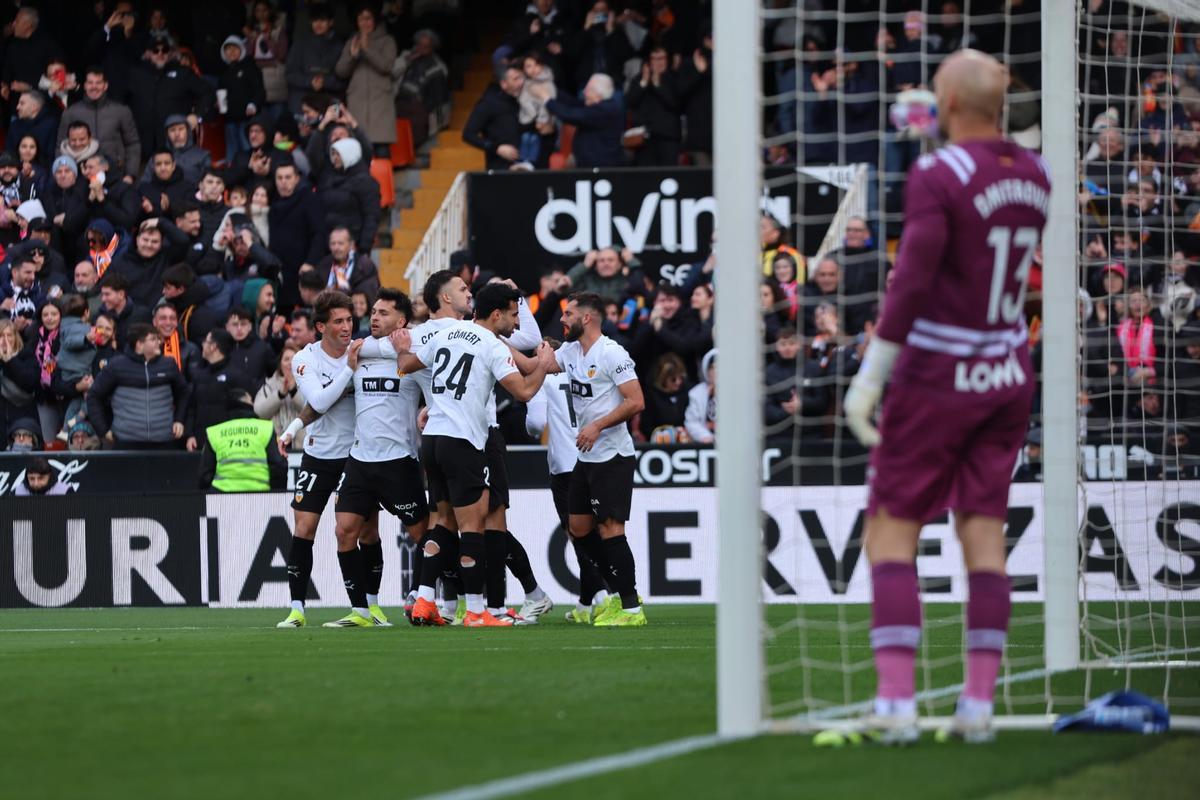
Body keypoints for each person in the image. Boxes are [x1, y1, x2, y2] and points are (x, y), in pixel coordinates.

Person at [842, 50, 1051, 744]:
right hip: (1008, 370)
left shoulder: (938, 173)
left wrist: (871, 375)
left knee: (890, 530)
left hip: (940, 372)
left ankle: (896, 706)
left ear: (950, 103)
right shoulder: (1038, 174)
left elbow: (912, 280)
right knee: (984, 536)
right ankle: (978, 707)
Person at [396, 282, 554, 628]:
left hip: (432, 439)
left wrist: (403, 349)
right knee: (473, 527)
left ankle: (425, 599)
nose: (516, 322)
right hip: (462, 441)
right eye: (513, 315)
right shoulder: (492, 345)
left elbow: (406, 365)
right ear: (496, 314)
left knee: (441, 522)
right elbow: (524, 392)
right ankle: (478, 611)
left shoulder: (447, 333)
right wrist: (542, 364)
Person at [320, 288, 427, 628]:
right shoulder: (359, 352)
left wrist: (428, 409)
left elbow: (438, 389)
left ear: (402, 321)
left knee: (425, 537)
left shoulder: (412, 356)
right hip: (360, 459)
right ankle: (362, 610)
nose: (375, 317)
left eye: (384, 313)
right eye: (374, 312)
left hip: (399, 461)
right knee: (345, 531)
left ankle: (438, 598)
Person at [551, 292, 646, 626]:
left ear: (586, 318)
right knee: (578, 528)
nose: (562, 319)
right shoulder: (570, 351)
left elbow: (636, 401)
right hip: (586, 457)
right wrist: (495, 340)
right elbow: (537, 366)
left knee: (610, 528)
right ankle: (619, 592)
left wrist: (597, 426)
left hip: (613, 455)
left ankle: (631, 608)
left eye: (568, 314)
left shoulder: (612, 353)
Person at [275, 291, 359, 628]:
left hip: (356, 456)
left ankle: (367, 608)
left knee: (358, 530)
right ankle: (297, 609)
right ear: (321, 326)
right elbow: (320, 402)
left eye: (349, 320)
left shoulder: (363, 351)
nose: (346, 327)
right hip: (319, 454)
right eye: (338, 321)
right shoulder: (304, 359)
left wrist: (294, 425)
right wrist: (294, 428)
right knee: (304, 527)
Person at [526, 338, 611, 623]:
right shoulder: (580, 371)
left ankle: (604, 597)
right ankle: (585, 605)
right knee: (595, 532)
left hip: (564, 464)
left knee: (578, 535)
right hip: (595, 458)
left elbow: (536, 423)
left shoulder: (543, 379)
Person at [87, 322, 190, 450]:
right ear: (139, 345)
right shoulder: (117, 366)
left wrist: (179, 420)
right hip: (126, 443)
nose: (159, 342)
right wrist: (103, 430)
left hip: (164, 441)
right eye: (153, 339)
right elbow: (94, 395)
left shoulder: (168, 364)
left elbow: (184, 393)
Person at [56, 67, 141, 181]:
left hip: (116, 175)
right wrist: (64, 174)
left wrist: (130, 175)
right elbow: (60, 146)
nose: (94, 87)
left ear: (105, 85)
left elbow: (132, 144)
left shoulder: (121, 111)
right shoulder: (70, 112)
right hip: (80, 177)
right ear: (85, 86)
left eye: (98, 83)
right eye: (90, 83)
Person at [334, 6, 397, 158]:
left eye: (368, 19)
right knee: (359, 150)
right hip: (358, 100)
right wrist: (353, 56)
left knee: (381, 149)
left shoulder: (387, 41)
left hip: (380, 102)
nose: (365, 23)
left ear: (375, 20)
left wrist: (367, 49)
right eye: (361, 19)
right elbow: (340, 71)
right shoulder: (352, 42)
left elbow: (386, 66)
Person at [199, 388, 286, 492]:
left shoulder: (215, 432)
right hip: (259, 494)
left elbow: (205, 476)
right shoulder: (265, 428)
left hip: (222, 495)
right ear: (247, 403)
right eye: (251, 400)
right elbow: (277, 468)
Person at [544, 72, 625, 169]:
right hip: (588, 164)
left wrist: (546, 99)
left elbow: (569, 115)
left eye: (588, 89)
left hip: (601, 167)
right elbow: (573, 103)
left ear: (599, 94)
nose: (584, 92)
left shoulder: (606, 110)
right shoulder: (599, 105)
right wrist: (551, 89)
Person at [462, 63, 525, 171]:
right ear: (504, 84)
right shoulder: (489, 103)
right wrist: (497, 148)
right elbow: (468, 134)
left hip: (527, 164)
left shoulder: (525, 100)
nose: (521, 82)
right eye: (516, 79)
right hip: (501, 168)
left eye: (522, 77)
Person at [284, 2, 344, 114]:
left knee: (335, 121)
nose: (318, 24)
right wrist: (309, 81)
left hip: (330, 99)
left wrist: (324, 82)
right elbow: (290, 74)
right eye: (315, 20)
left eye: (323, 20)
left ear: (331, 22)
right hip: (302, 100)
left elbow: (344, 78)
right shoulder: (300, 44)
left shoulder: (339, 46)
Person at [254, 341, 302, 444]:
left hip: (302, 445)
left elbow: (313, 408)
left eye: (294, 359)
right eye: (286, 359)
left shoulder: (308, 383)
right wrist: (280, 395)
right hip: (275, 443)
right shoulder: (269, 385)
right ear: (280, 364)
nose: (290, 363)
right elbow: (259, 412)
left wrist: (293, 391)